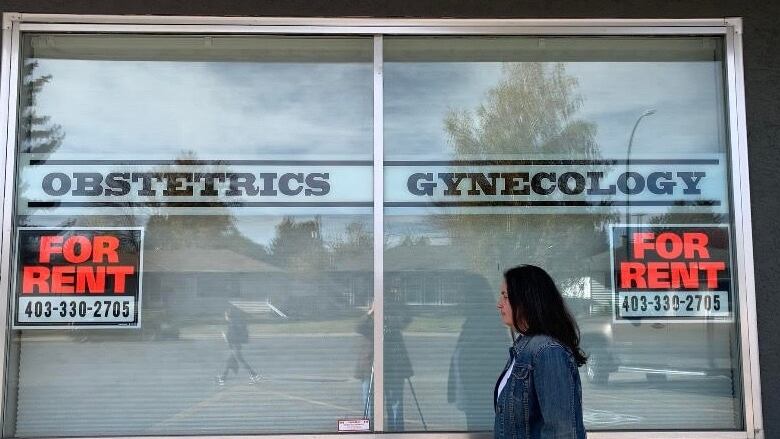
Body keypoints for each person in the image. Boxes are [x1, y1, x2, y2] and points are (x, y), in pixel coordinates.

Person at [494, 265, 587, 439]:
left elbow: (562, 431)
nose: (499, 304)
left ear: (526, 301)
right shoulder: (524, 347)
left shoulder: (547, 351)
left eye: (505, 297)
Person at [447, 274, 509, 430]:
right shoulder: (471, 323)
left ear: (472, 296)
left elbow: (492, 365)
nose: (457, 298)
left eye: (460, 293)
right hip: (474, 402)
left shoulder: (488, 325)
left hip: (484, 404)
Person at [217, 307, 261, 385]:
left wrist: (225, 337)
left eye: (225, 315)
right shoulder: (234, 323)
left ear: (228, 316)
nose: (225, 317)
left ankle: (255, 375)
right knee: (231, 362)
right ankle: (223, 378)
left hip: (235, 347)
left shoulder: (232, 324)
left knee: (239, 362)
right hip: (236, 346)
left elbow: (231, 338)